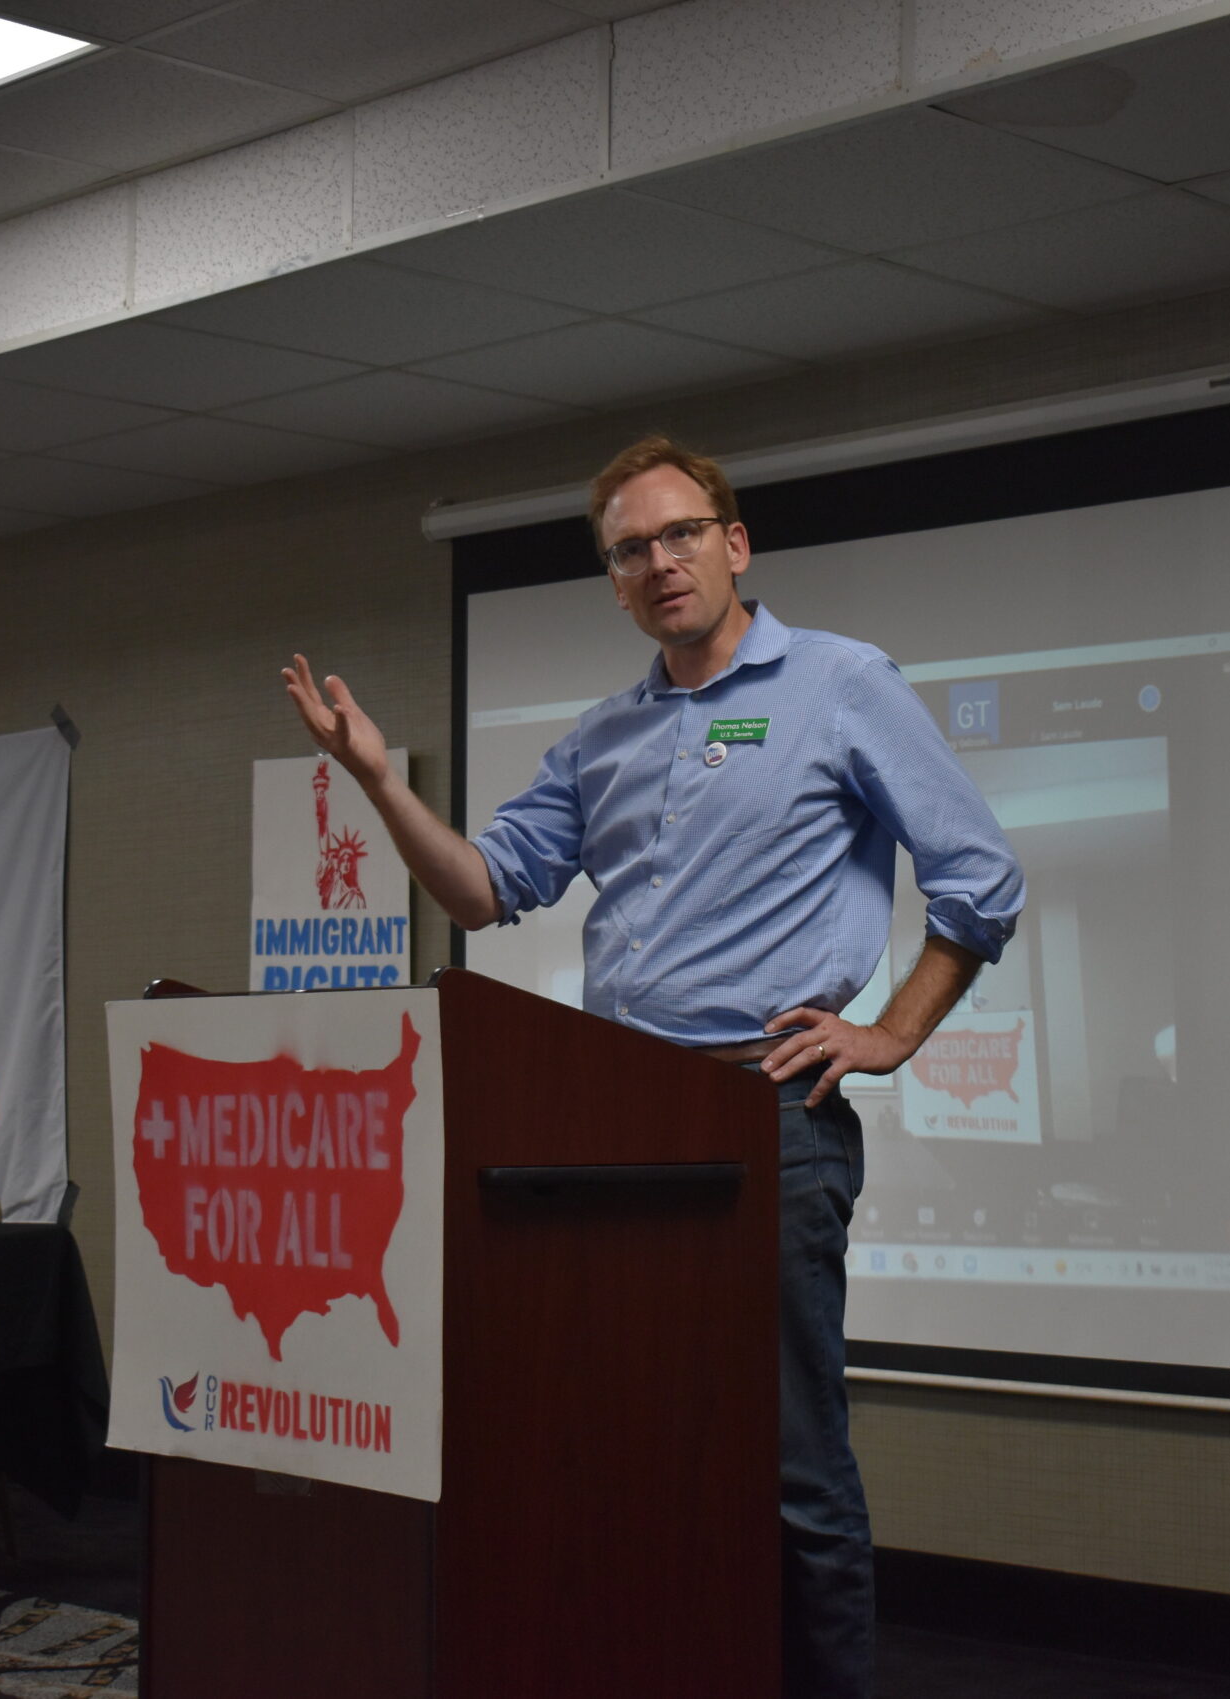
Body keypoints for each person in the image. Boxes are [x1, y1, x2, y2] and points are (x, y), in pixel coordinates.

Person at [283, 435, 1025, 1698]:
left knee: (790, 1465)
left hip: (767, 1120)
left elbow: (980, 881)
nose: (659, 562)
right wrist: (371, 777)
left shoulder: (843, 685)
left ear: (734, 547)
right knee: (631, 1450)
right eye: (630, 550)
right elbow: (481, 892)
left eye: (680, 534)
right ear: (615, 584)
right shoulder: (602, 738)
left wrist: (893, 1031)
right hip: (614, 1136)